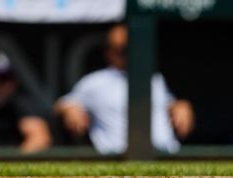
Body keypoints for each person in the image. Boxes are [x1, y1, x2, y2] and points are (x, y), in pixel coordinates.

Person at [54, 24, 194, 155]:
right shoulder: (95, 81)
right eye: (121, 49)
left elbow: (168, 103)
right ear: (108, 52)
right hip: (119, 157)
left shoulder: (154, 77)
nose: (127, 54)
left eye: (130, 48)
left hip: (166, 153)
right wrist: (70, 108)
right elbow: (63, 103)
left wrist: (179, 106)